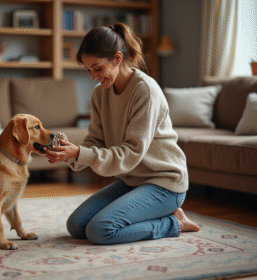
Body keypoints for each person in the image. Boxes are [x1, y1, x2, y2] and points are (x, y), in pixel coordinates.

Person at [44, 22, 200, 245]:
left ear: (117, 58)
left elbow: (130, 153)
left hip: (164, 183)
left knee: (101, 230)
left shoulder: (145, 91)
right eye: (89, 70)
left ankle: (173, 222)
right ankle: (156, 213)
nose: (93, 77)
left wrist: (80, 153)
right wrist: (70, 154)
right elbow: (95, 141)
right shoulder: (99, 94)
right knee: (77, 225)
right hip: (132, 180)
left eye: (97, 68)